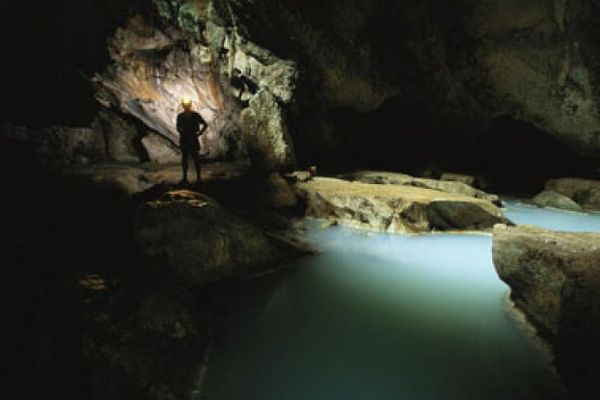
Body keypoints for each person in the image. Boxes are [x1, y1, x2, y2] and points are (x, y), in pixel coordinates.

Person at [176, 98, 207, 185]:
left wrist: (199, 133)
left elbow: (205, 124)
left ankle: (195, 178)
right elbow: (178, 128)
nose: (186, 106)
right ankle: (190, 178)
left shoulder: (188, 116)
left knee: (192, 159)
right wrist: (199, 133)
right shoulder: (191, 115)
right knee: (188, 158)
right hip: (189, 138)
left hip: (188, 138)